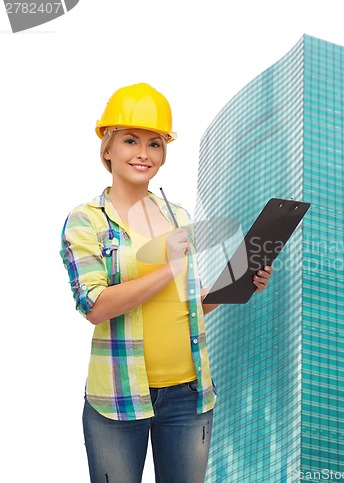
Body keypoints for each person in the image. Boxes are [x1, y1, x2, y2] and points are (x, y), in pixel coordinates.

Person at [60, 83, 273, 483]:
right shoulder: (86, 220)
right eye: (130, 140)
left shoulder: (178, 216)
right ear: (107, 148)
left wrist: (237, 285)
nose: (143, 153)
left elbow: (186, 304)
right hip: (119, 401)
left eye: (155, 144)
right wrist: (166, 271)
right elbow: (95, 306)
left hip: (190, 396)